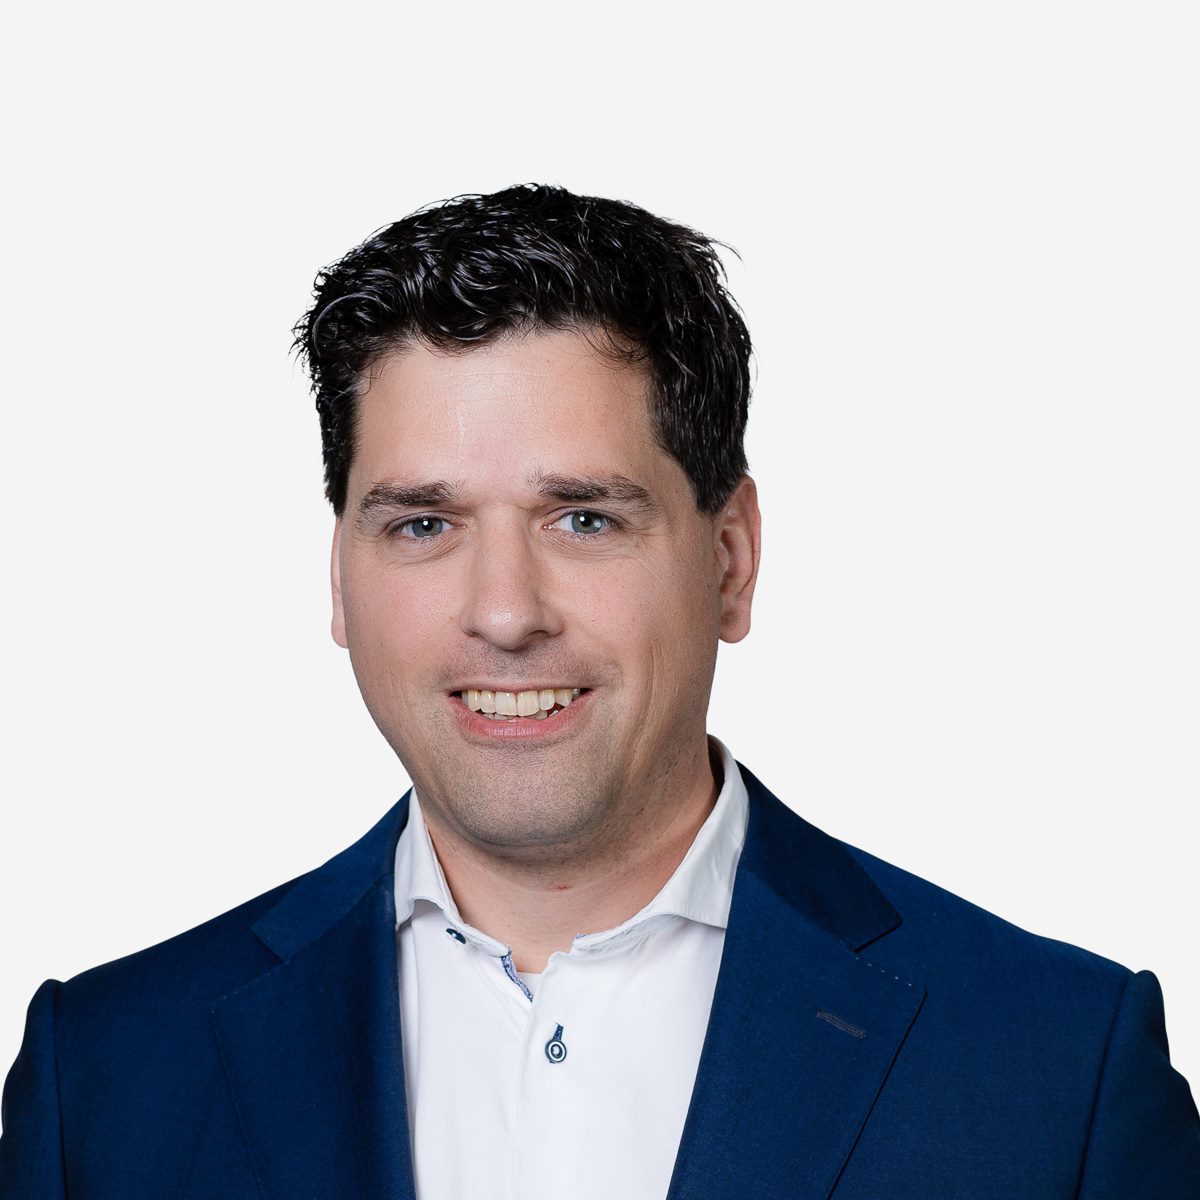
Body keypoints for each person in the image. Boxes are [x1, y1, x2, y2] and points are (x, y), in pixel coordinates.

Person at [1, 184, 1196, 1200]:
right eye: (423, 523)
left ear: (728, 560)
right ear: (339, 579)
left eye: (583, 518)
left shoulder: (1057, 1072)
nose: (506, 610)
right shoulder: (103, 1082)